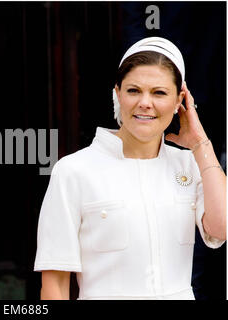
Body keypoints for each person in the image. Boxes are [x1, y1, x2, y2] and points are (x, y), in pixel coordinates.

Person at [34, 37, 226, 300]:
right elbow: (54, 285)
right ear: (117, 93)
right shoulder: (73, 171)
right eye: (134, 91)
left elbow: (221, 228)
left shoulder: (191, 165)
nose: (145, 103)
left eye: (159, 93)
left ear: (180, 100)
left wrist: (200, 143)